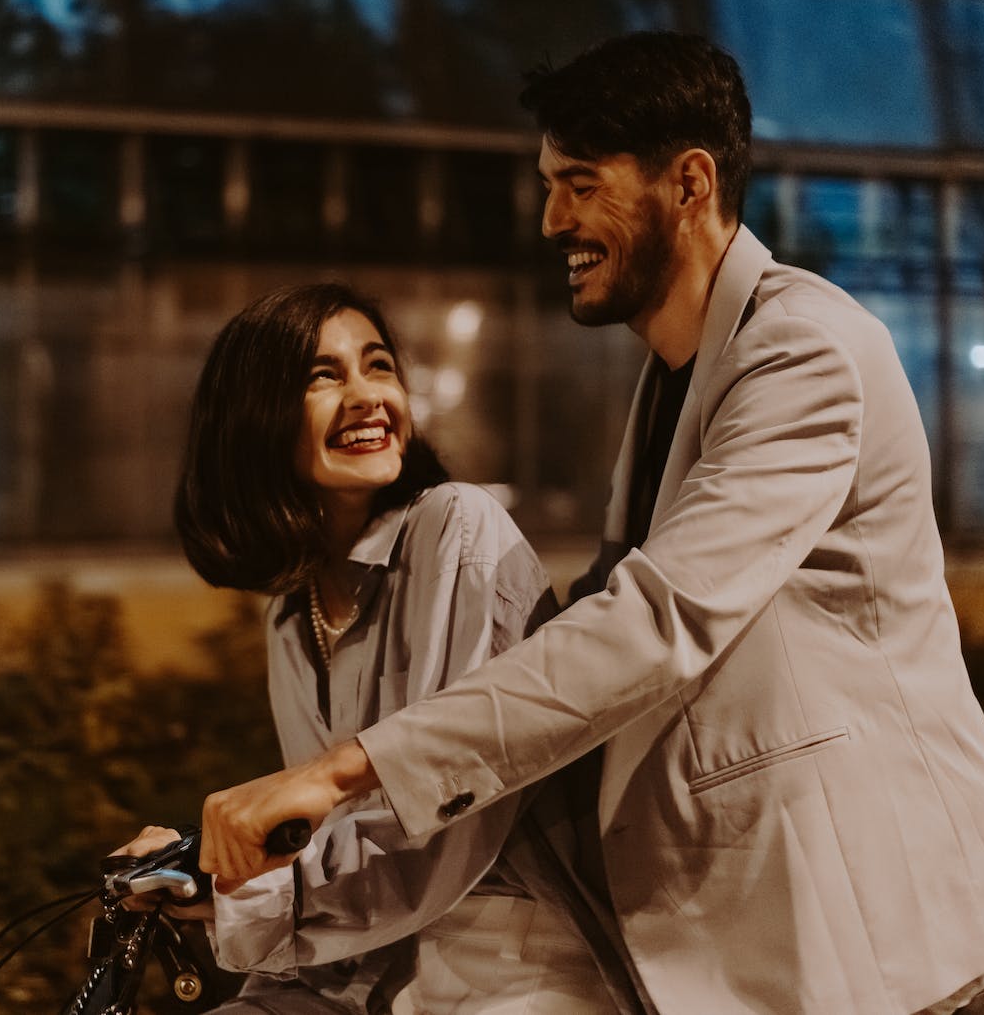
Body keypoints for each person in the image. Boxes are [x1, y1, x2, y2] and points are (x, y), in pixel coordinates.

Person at [198, 32, 984, 1015]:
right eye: (550, 185)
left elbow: (655, 619)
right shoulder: (674, 377)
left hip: (877, 924)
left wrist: (346, 769)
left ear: (688, 182)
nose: (552, 220)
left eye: (581, 183)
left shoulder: (803, 350)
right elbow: (598, 620)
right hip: (760, 927)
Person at [116, 283, 643, 1013]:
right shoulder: (288, 616)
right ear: (255, 420)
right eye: (323, 376)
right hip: (368, 962)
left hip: (512, 960)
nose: (366, 396)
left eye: (379, 366)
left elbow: (439, 829)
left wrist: (231, 895)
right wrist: (194, 859)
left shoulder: (455, 527)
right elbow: (327, 831)